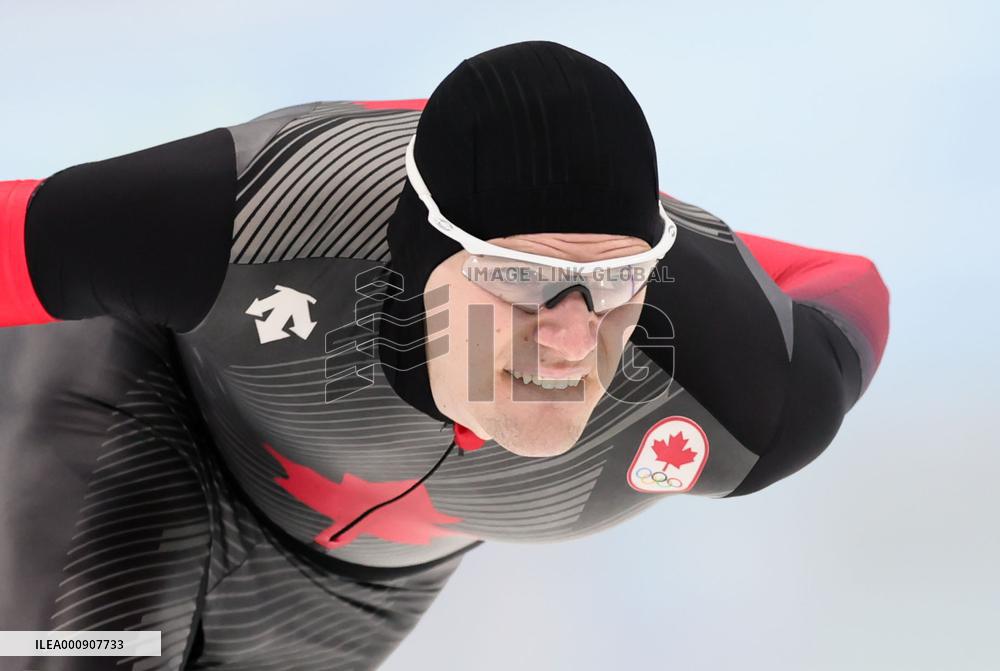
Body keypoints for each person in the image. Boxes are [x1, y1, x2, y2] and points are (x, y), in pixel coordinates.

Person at [0, 40, 889, 670]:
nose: (572, 338)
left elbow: (851, 283)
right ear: (420, 261)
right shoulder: (256, 219)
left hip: (350, 588)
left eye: (615, 281)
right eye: (520, 278)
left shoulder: (748, 395)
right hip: (148, 403)